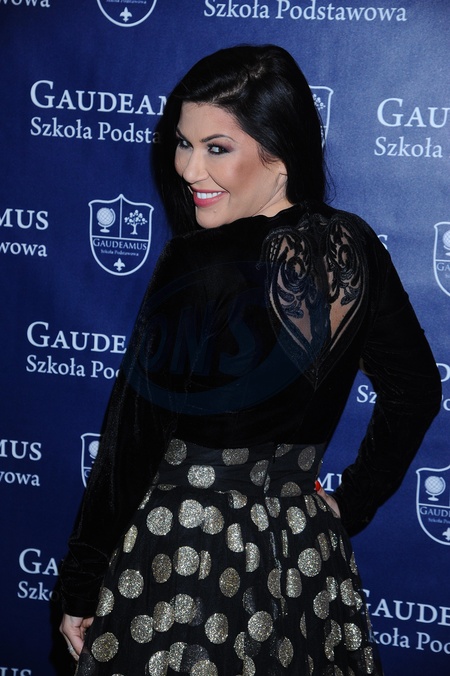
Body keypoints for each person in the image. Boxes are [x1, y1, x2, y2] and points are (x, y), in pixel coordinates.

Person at [59, 45, 441, 675]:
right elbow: (417, 390)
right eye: (184, 144)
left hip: (188, 553)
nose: (189, 169)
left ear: (280, 152)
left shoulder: (197, 264)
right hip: (304, 553)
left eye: (217, 148)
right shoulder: (358, 247)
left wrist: (81, 583)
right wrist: (351, 504)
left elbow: (133, 439)